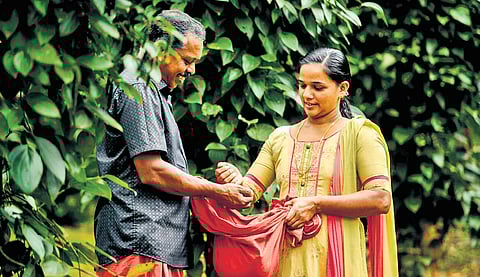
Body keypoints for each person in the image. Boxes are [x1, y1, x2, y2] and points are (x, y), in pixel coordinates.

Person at [94, 10, 253, 277]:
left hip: (152, 243)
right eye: (186, 61)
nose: (191, 70)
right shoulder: (139, 88)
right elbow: (151, 170)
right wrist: (216, 191)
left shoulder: (154, 91)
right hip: (138, 242)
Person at [213, 47, 398, 276]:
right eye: (302, 85)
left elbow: (380, 199)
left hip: (339, 260)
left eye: (318, 87)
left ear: (343, 88)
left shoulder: (360, 134)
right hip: (284, 258)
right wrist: (233, 181)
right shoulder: (280, 138)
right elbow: (248, 193)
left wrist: (316, 203)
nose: (307, 95)